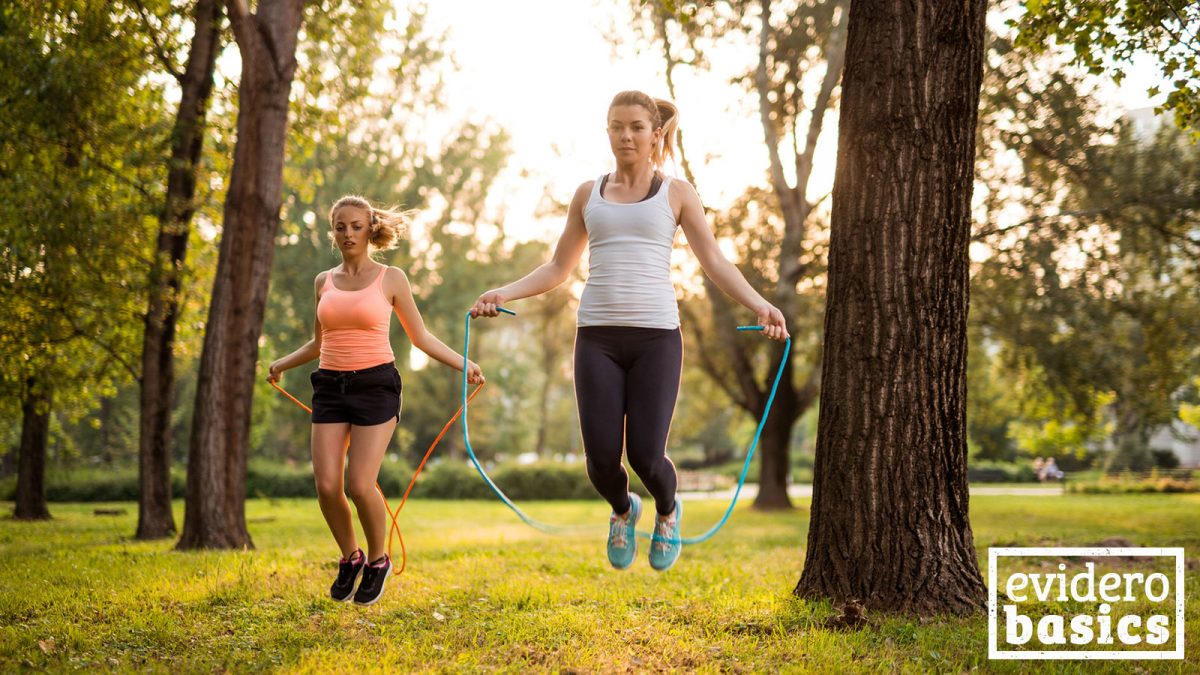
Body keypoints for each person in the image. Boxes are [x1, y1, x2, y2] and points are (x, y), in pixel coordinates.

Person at [471, 91, 788, 572]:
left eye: (637, 126)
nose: (626, 135)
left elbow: (716, 263)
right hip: (596, 337)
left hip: (657, 339)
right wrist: (502, 293)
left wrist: (762, 304)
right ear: (608, 132)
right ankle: (623, 510)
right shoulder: (588, 194)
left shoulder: (676, 193)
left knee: (645, 453)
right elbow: (559, 266)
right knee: (600, 459)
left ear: (655, 133)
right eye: (617, 126)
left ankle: (666, 509)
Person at [268, 195, 484, 605]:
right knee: (327, 485)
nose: (348, 233)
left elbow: (420, 338)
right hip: (330, 386)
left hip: (376, 386)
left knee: (359, 484)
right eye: (340, 227)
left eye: (355, 226)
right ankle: (351, 557)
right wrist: (282, 363)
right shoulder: (323, 281)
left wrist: (464, 363)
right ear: (333, 232)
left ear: (369, 229)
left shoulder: (391, 278)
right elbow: (319, 342)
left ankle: (378, 560)